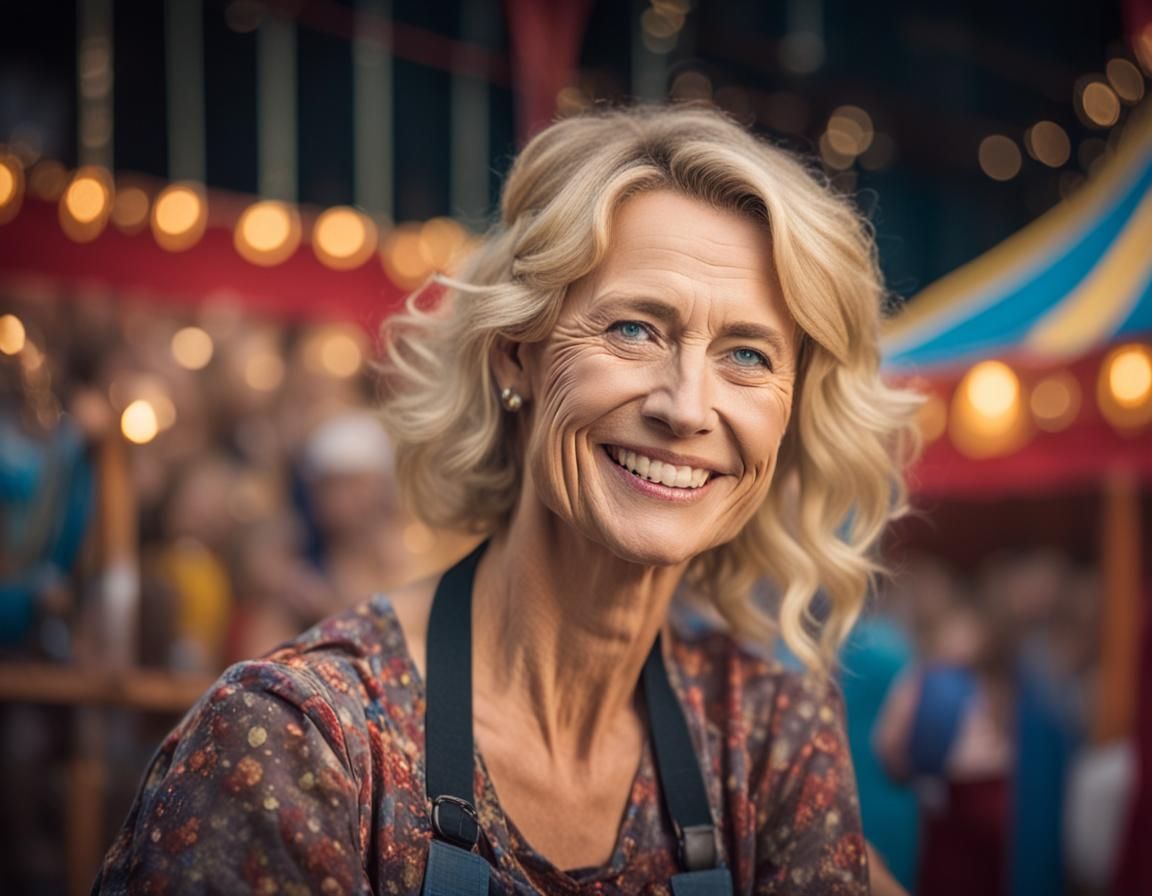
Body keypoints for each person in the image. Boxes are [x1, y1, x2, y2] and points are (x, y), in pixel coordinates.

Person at [93, 104, 920, 894]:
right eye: (635, 329)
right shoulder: (305, 741)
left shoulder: (769, 741)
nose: (687, 406)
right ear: (513, 355)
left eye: (747, 353)